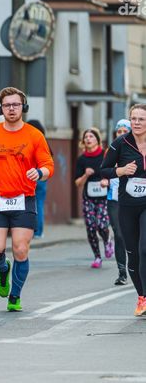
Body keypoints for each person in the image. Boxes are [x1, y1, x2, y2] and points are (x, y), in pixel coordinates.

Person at [0, 87, 54, 312]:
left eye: (16, 104)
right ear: (1, 108)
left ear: (23, 107)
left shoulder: (34, 135)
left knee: (20, 249)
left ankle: (15, 296)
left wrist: (40, 172)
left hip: (23, 199)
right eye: (7, 105)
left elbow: (48, 165)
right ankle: (3, 268)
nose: (11, 109)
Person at [101, 105, 146, 316]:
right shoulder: (120, 143)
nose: (136, 122)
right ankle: (142, 297)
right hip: (127, 206)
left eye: (141, 119)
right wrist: (121, 170)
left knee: (144, 249)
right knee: (133, 255)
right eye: (133, 118)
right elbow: (103, 170)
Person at [74, 128, 113, 269]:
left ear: (97, 139)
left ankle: (107, 241)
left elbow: (113, 173)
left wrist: (107, 181)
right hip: (88, 198)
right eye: (86, 137)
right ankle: (97, 257)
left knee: (101, 225)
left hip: (104, 197)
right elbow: (78, 183)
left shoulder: (105, 155)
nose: (88, 139)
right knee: (91, 227)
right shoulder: (82, 159)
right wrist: (86, 175)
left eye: (91, 136)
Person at [101, 119, 131, 285]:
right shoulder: (111, 150)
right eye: (119, 132)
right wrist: (105, 179)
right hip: (114, 199)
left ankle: (138, 268)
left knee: (136, 236)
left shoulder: (138, 149)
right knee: (119, 235)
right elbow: (104, 169)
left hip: (134, 199)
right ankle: (122, 273)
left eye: (125, 131)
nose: (121, 134)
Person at [27, 120, 51, 239]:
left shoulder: (28, 142)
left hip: (31, 175)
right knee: (39, 204)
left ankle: (32, 230)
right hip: (42, 176)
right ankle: (39, 232)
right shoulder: (44, 142)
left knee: (29, 204)